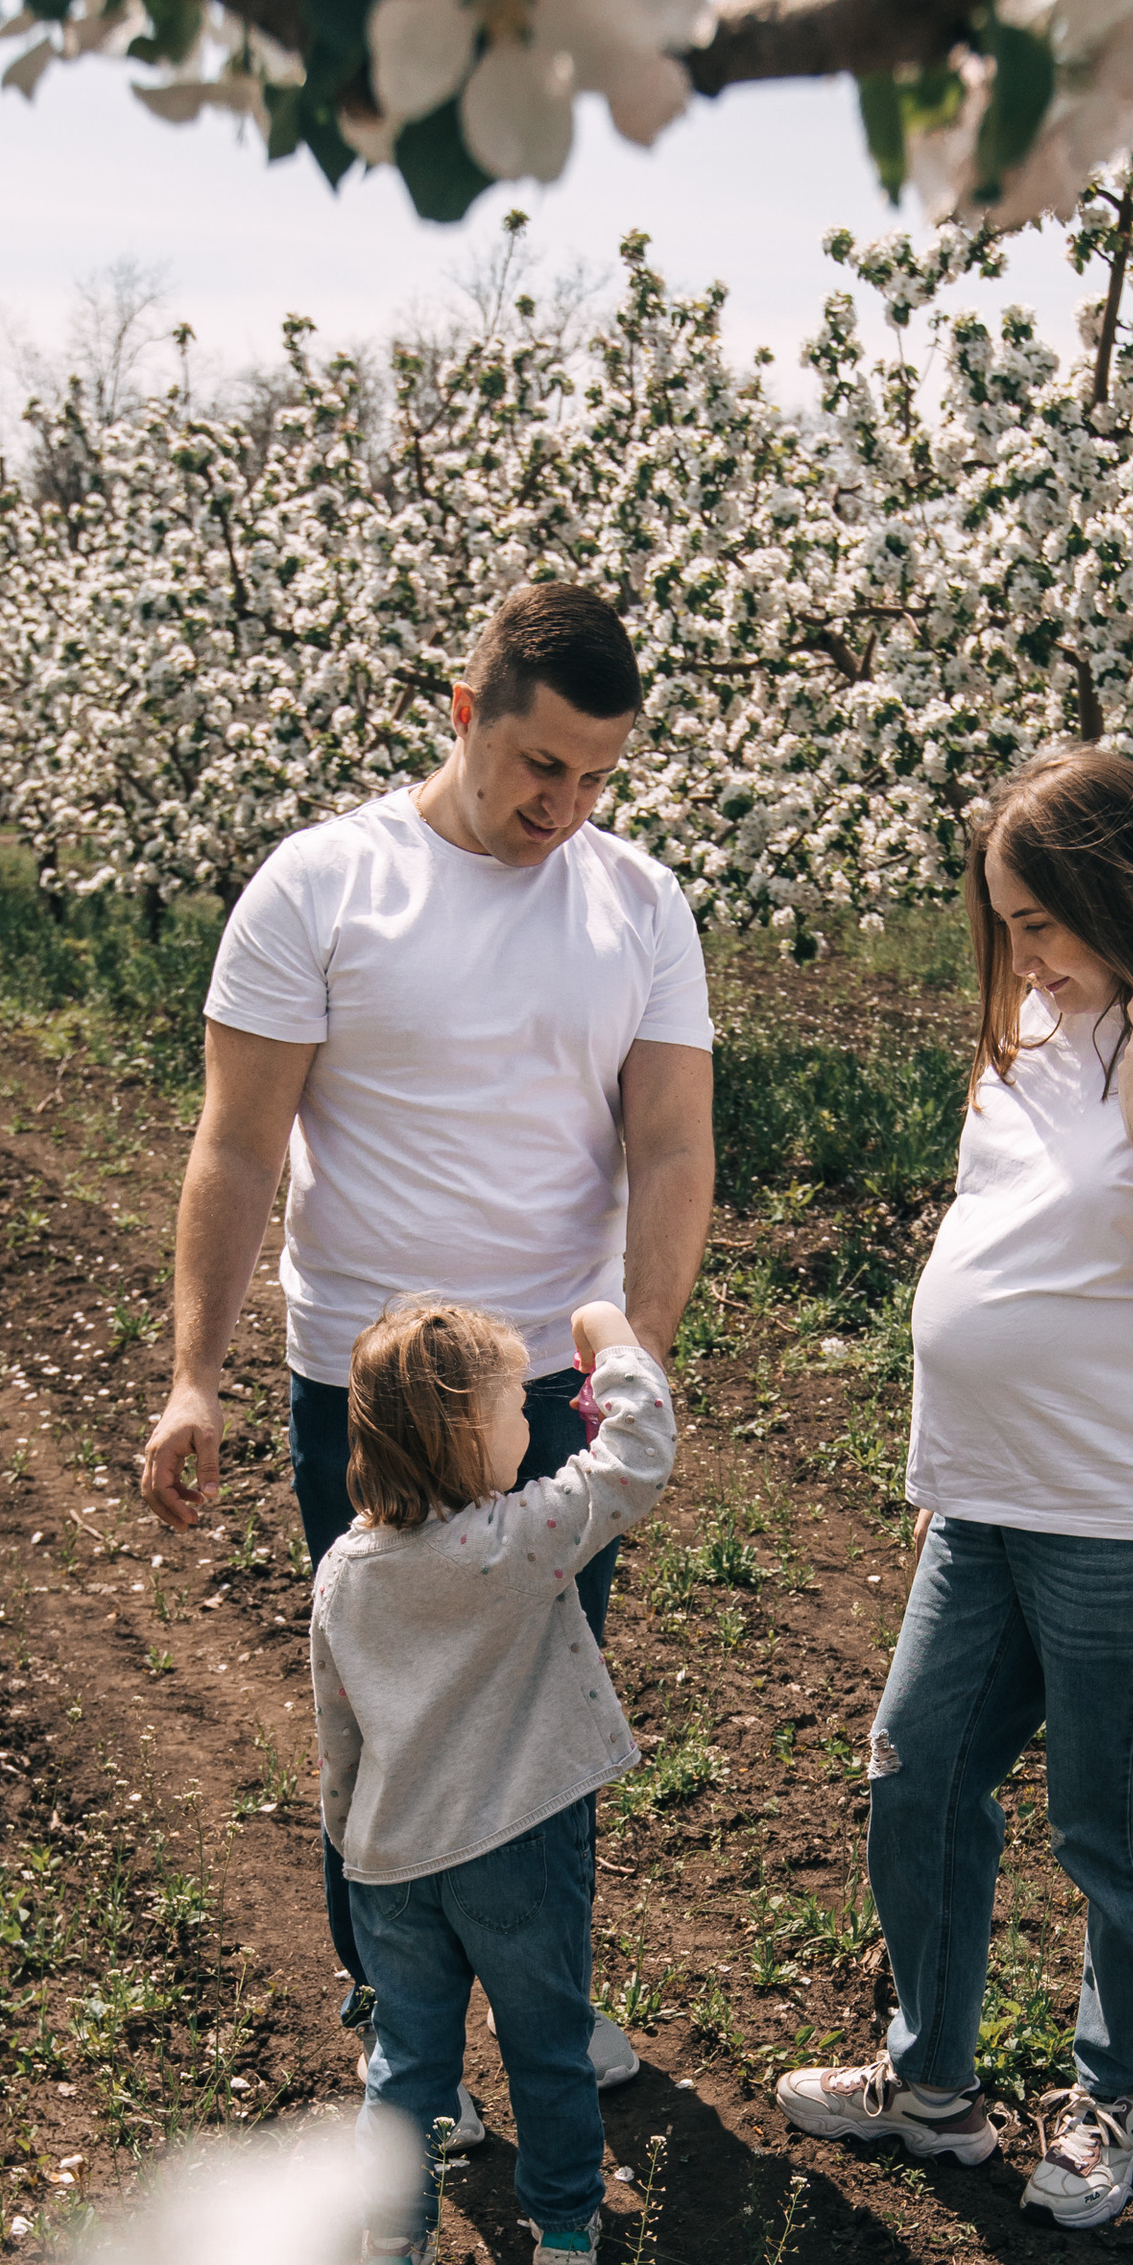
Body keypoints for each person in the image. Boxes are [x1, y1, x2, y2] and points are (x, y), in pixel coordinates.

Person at [139, 581, 714, 2135]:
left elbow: (668, 1148)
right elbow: (237, 1146)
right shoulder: (323, 887)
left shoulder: (641, 904)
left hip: (545, 1395)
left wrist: (632, 1365)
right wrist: (196, 1371)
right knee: (390, 1711)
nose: (567, 806)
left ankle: (545, 1998)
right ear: (465, 716)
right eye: (541, 766)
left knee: (540, 1711)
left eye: (600, 777)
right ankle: (407, 2036)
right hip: (368, 1393)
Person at [778, 748, 1133, 2232]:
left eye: (1042, 919)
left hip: (1131, 1508)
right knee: (918, 1773)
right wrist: (947, 1454)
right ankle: (932, 2085)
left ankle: (1115, 2104)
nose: (1020, 952)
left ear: (1124, 886)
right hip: (988, 1491)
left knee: (1111, 1819)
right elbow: (994, 1238)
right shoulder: (1031, 1019)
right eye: (1006, 923)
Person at [311, 1294, 676, 2265]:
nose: (535, 1422)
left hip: (389, 1864)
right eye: (520, 1405)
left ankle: (390, 2247)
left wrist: (350, 1844)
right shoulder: (514, 1541)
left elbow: (336, 1728)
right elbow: (635, 1459)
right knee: (547, 2042)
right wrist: (612, 1344)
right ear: (466, 1432)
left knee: (406, 2065)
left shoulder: (345, 1572)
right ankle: (562, 2222)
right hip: (516, 1848)